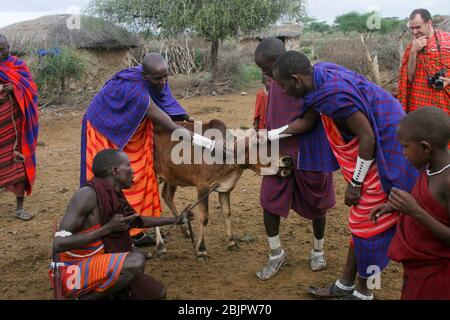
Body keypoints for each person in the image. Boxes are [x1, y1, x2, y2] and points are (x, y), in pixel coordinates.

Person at [272, 51, 418, 300]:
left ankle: (364, 292)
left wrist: (356, 183)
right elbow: (307, 122)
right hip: (376, 145)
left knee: (370, 224)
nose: (283, 92)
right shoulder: (318, 78)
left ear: (296, 80)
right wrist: (265, 136)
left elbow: (368, 137)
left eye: (283, 86)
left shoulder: (333, 94)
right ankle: (346, 284)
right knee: (362, 225)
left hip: (386, 147)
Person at [80, 53, 213, 246]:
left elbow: (165, 98)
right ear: (145, 76)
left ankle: (136, 230)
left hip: (134, 129)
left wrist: (184, 115)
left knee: (140, 174)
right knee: (112, 179)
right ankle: (113, 230)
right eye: (157, 79)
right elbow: (168, 124)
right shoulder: (136, 91)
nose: (162, 82)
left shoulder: (157, 77)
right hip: (105, 127)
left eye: (165, 77)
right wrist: (207, 143)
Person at [50, 149, 192, 300]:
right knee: (136, 261)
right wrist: (107, 229)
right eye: (129, 167)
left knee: (158, 293)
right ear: (116, 172)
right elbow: (58, 244)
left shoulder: (114, 194)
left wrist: (176, 219)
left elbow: (137, 221)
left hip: (98, 261)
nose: (133, 173)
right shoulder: (86, 195)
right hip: (73, 271)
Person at [253, 38, 338, 281]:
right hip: (279, 148)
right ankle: (275, 253)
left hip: (310, 149)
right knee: (269, 200)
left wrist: (267, 135)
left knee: (318, 202)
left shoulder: (309, 81)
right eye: (261, 69)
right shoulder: (272, 82)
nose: (265, 73)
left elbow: (307, 122)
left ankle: (317, 249)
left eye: (267, 67)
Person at [372, 107, 450, 300]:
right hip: (418, 268)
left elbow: (421, 210)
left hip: (439, 277)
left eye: (405, 146)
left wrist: (415, 211)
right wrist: (396, 206)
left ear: (425, 148)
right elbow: (428, 202)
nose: (403, 153)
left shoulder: (448, 180)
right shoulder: (430, 167)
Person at [0, 34, 39, 221]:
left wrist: (14, 89)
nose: (0, 53)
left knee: (20, 163)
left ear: (9, 46)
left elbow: (31, 90)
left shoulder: (18, 66)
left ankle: (19, 207)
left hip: (18, 127)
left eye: (3, 48)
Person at [398, 9, 450, 114]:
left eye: (418, 27)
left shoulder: (447, 42)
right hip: (418, 103)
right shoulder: (411, 47)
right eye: (412, 28)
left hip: (444, 102)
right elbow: (409, 77)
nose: (414, 32)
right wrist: (413, 51)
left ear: (429, 23)